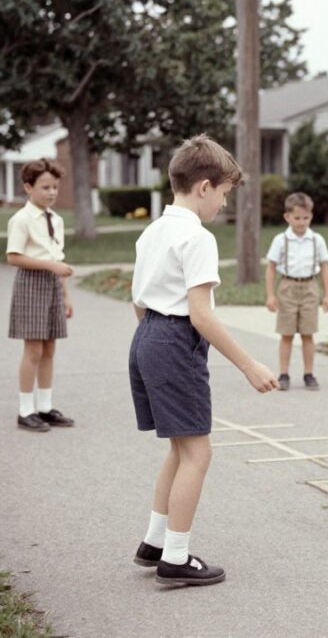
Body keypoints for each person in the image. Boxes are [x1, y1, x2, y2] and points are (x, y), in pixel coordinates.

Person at [129, 134, 279, 586]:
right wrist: (250, 364)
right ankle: (176, 556)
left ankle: (155, 541)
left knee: (180, 446)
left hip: (146, 335)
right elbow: (201, 315)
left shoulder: (153, 230)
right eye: (225, 193)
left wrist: (153, 337)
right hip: (175, 340)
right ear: (204, 187)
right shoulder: (197, 237)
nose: (223, 204)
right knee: (198, 451)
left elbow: (138, 300)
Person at [6, 159, 75, 432]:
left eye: (55, 187)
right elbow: (13, 257)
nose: (51, 192)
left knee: (49, 348)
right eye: (45, 187)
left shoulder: (55, 220)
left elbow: (56, 258)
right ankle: (26, 410)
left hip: (53, 284)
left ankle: (45, 407)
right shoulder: (21, 219)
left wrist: (66, 295)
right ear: (28, 187)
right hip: (31, 284)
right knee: (33, 349)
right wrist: (50, 266)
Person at [264, 192, 328, 391]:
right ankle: (284, 373)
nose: (302, 222)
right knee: (286, 333)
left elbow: (324, 267)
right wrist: (270, 295)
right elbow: (271, 268)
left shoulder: (317, 240)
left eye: (306, 218)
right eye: (297, 218)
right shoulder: (280, 240)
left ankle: (308, 374)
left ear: (311, 216)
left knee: (308, 333)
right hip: (287, 288)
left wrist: (327, 295)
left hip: (310, 288)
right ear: (287, 217)